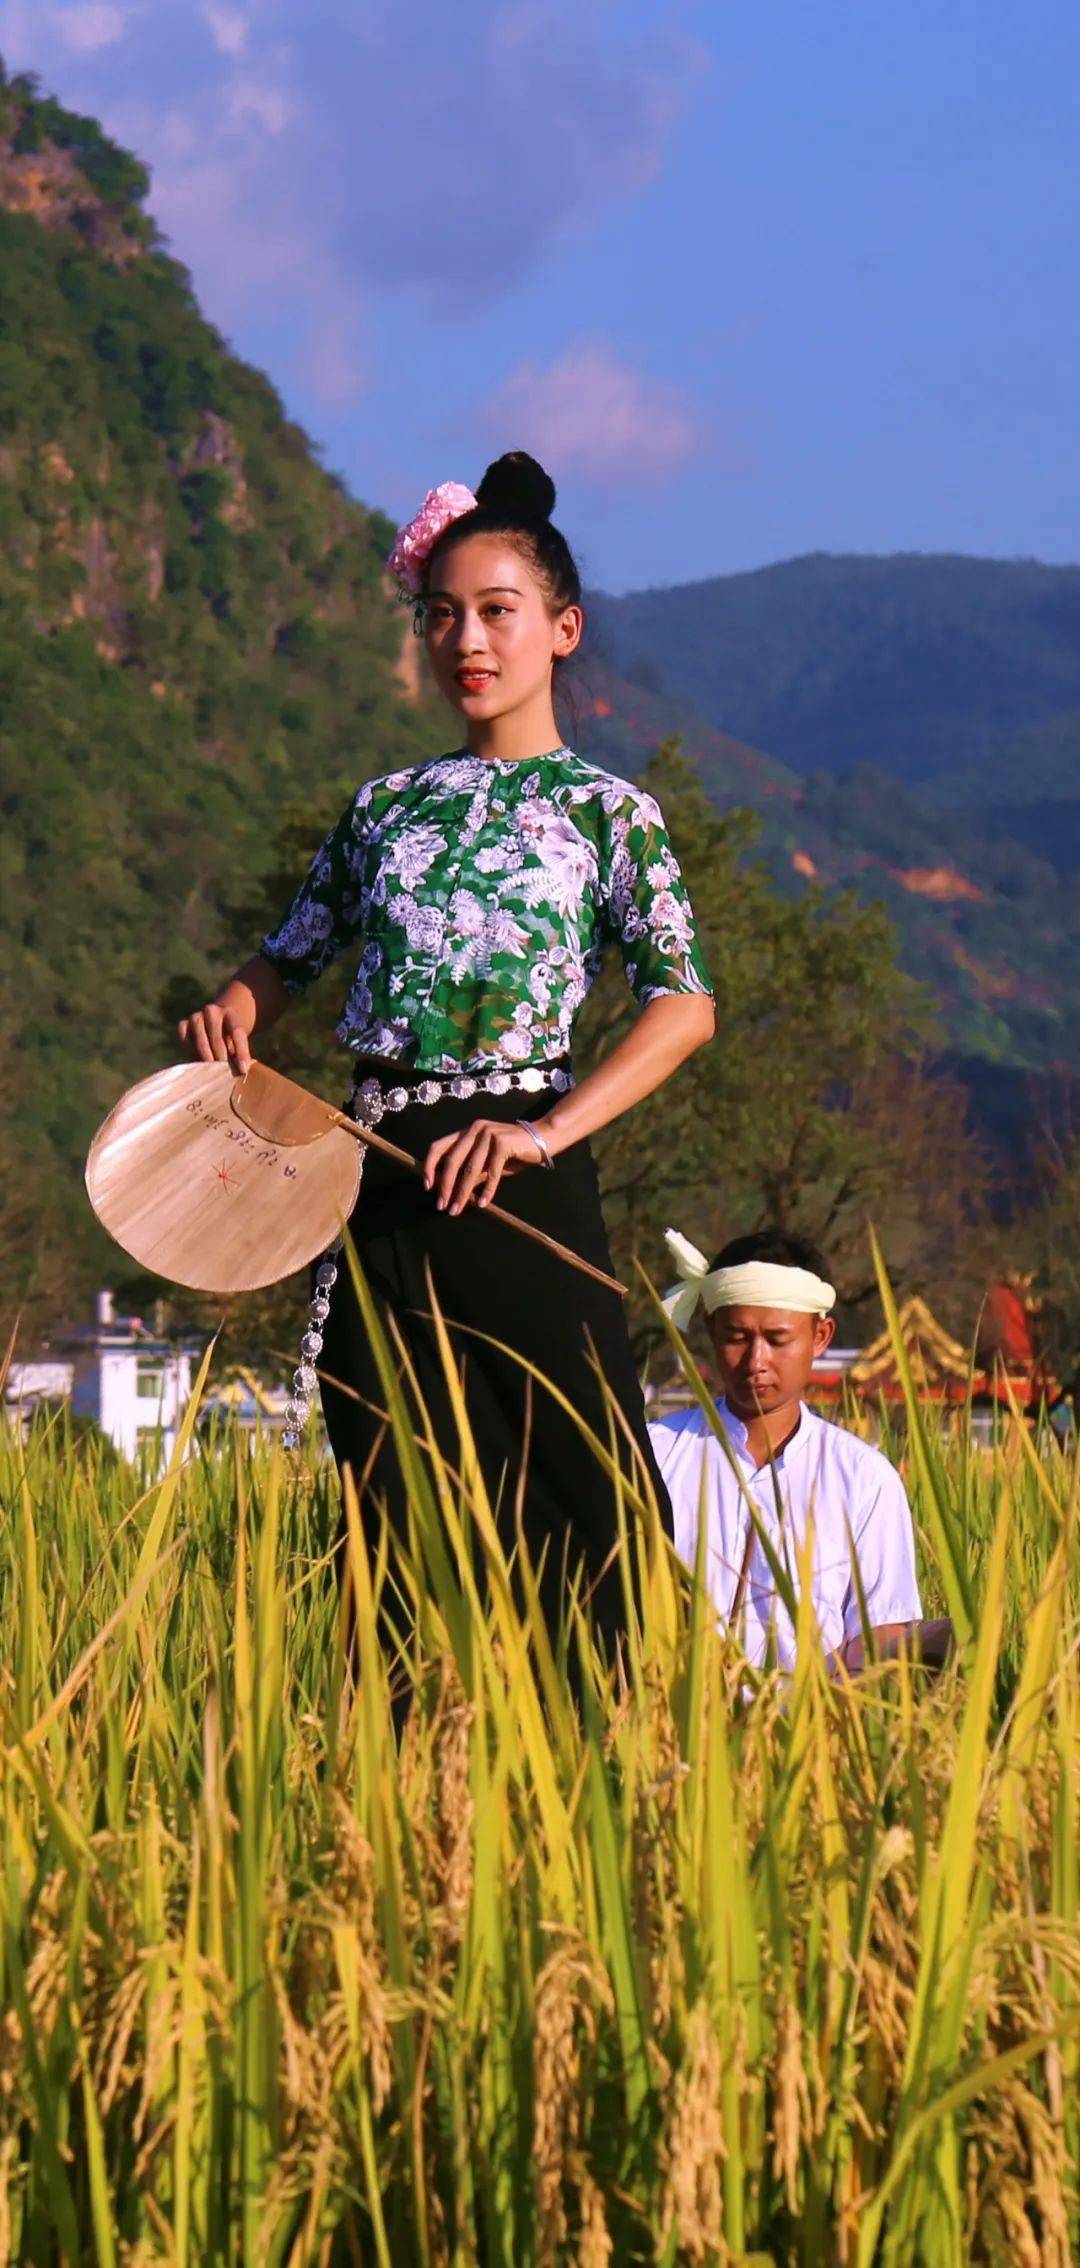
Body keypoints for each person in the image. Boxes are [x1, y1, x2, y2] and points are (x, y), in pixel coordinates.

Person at [179, 451, 715, 1651]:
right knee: (393, 1490)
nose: (465, 639)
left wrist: (538, 1133)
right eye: (441, 616)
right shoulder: (382, 809)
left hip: (523, 1161)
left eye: (496, 612)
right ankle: (418, 1785)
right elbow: (288, 956)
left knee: (588, 1487)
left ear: (561, 628)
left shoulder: (609, 814)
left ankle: (609, 1764)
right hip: (374, 1171)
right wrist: (239, 1005)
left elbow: (684, 1004)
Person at [649, 1227, 924, 1672]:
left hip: (815, 1729)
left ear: (820, 1336)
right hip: (671, 1729)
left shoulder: (863, 1478)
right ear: (711, 1332)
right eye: (737, 1338)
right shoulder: (654, 1457)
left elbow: (883, 1633)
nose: (756, 1361)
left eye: (778, 1340)